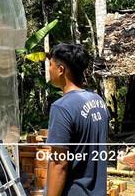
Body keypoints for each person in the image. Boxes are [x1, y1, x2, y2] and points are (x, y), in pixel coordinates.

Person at [44, 43, 109, 196]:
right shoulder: (98, 101)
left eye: (51, 65)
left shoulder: (62, 107)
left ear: (61, 70)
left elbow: (59, 163)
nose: (49, 70)